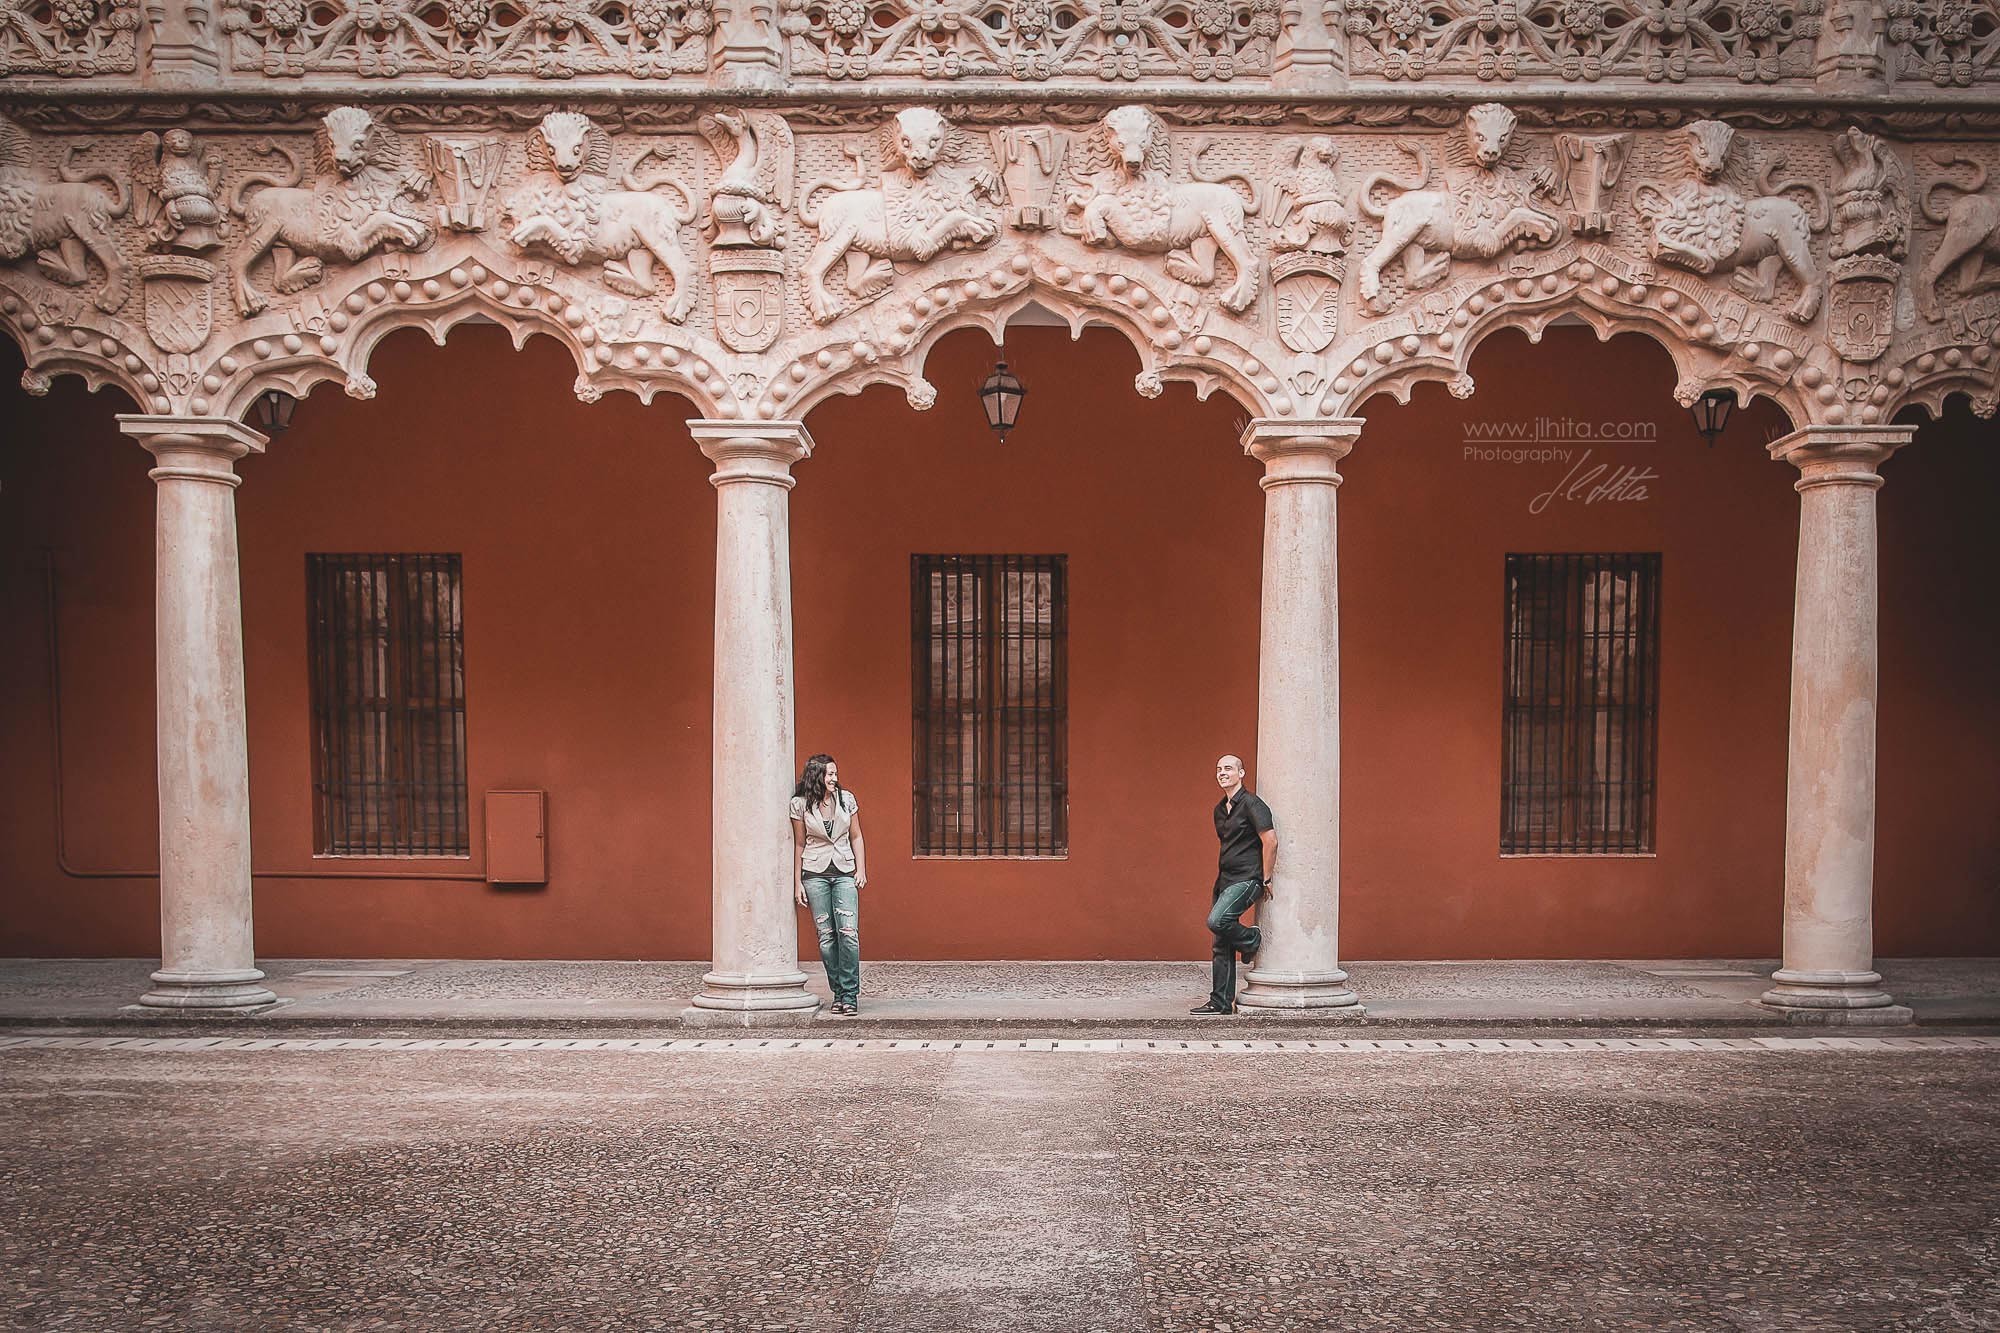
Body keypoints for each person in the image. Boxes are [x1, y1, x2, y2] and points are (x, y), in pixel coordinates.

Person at [1192, 753, 1276, 1015]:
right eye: (1218, 769)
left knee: (1218, 921)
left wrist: (1266, 877)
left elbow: (1270, 840)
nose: (1222, 773)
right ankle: (1220, 1002)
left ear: (1241, 773)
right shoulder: (1220, 809)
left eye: (1228, 768)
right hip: (1224, 879)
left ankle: (1251, 939)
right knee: (1220, 943)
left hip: (1247, 878)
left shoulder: (1252, 804)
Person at [790, 754, 868, 1015]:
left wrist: (861, 869)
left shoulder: (846, 800)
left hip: (845, 871)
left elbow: (856, 836)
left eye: (835, 774)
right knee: (826, 938)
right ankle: (838, 993)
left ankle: (850, 994)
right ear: (817, 777)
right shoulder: (799, 805)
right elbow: (799, 844)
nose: (835, 778)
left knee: (849, 934)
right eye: (830, 774)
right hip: (814, 873)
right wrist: (797, 882)